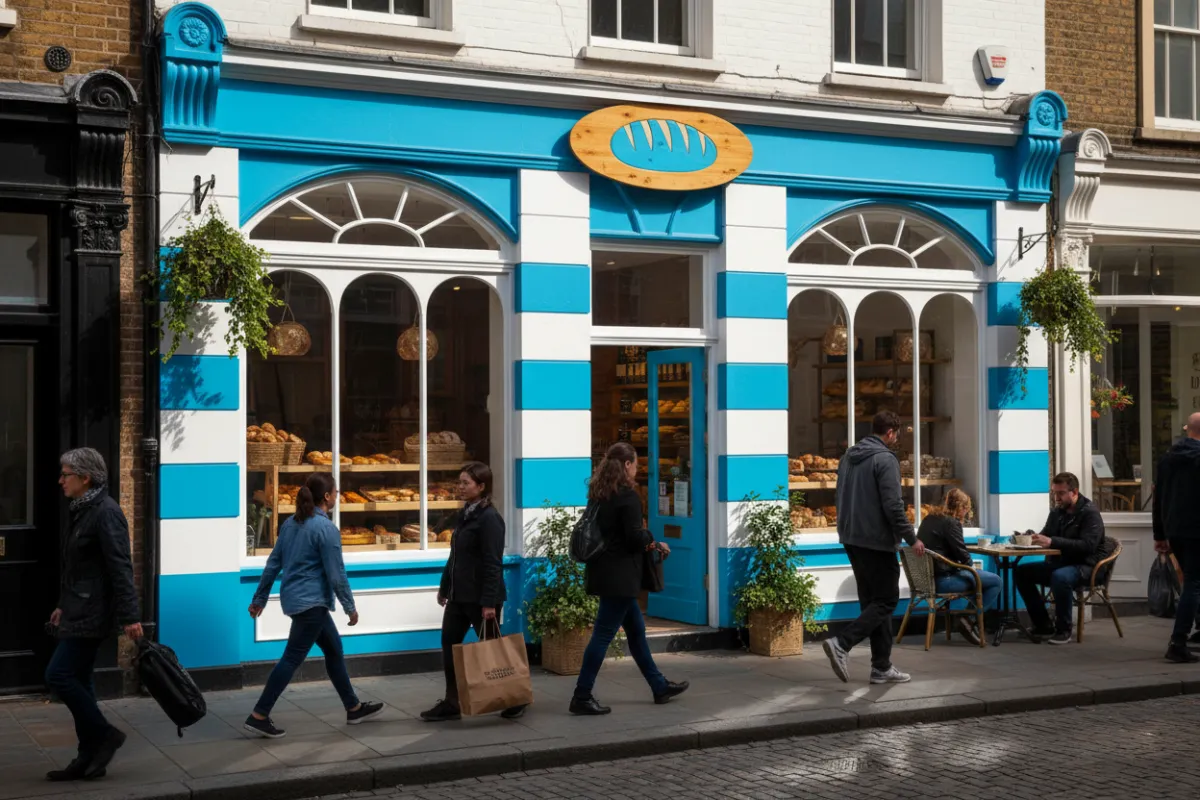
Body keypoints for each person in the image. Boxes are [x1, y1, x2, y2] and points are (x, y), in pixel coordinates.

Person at [245, 472, 383, 738]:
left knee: (333, 650)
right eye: (336, 492)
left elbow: (273, 564)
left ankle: (353, 708)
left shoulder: (290, 524)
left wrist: (259, 598)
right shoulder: (325, 529)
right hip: (312, 603)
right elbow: (336, 574)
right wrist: (350, 606)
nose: (338, 496)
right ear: (327, 496)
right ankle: (259, 715)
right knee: (292, 658)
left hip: (298, 600)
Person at [45, 448, 142, 782]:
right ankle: (88, 757)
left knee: (59, 675)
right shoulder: (83, 510)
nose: (61, 480)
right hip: (78, 607)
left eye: (66, 474)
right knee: (81, 680)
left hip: (94, 612)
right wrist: (62, 604)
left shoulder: (106, 512)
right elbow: (77, 568)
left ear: (85, 478)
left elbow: (121, 567)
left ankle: (105, 735)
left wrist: (130, 616)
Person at [570, 442, 689, 715]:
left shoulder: (599, 494)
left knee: (635, 631)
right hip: (621, 577)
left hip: (604, 571)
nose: (636, 468)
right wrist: (654, 542)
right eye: (635, 463)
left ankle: (659, 686)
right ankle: (581, 695)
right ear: (626, 465)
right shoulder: (628, 497)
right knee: (602, 635)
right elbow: (634, 538)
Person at [823, 411, 925, 685]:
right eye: (897, 434)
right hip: (877, 541)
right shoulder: (885, 459)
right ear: (891, 432)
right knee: (887, 600)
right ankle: (842, 643)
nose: (896, 439)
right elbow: (893, 506)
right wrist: (912, 538)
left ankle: (881, 667)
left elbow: (839, 495)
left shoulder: (848, 457)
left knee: (873, 603)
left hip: (851, 538)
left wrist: (844, 530)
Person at [421, 462, 526, 721]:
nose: (460, 487)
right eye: (459, 482)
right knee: (449, 643)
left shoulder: (490, 519)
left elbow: (493, 563)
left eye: (465, 483)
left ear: (481, 486)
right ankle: (452, 702)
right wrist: (445, 587)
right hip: (458, 596)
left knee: (493, 649)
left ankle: (516, 696)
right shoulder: (465, 514)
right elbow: (455, 555)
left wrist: (489, 602)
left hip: (481, 599)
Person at [1014, 472, 1105, 645]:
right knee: (1021, 572)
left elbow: (1088, 546)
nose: (1057, 498)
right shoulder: (1057, 512)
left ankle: (1064, 630)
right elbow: (1047, 534)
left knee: (1060, 577)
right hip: (1061, 563)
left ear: (1074, 492)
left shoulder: (1090, 513)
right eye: (1054, 493)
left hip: (1086, 566)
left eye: (1061, 493)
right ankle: (1043, 625)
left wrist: (1052, 541)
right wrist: (1031, 537)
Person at [916, 488, 1001, 644]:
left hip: (924, 580)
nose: (966, 513)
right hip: (943, 580)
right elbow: (962, 555)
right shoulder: (951, 522)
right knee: (995, 581)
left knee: (979, 578)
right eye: (966, 509)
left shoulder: (929, 519)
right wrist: (972, 569)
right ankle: (967, 619)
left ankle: (966, 619)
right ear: (961, 507)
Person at [1152, 412, 1200, 663]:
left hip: (1175, 530)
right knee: (1194, 582)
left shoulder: (1168, 457)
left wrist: (1160, 534)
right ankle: (1178, 642)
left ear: (1187, 429)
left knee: (1193, 580)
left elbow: (1158, 496)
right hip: (1196, 529)